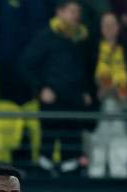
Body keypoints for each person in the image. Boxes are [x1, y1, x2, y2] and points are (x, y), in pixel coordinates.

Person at [19, 0, 94, 174]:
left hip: (75, 103)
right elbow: (25, 64)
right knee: (48, 147)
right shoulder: (46, 36)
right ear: (59, 12)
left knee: (73, 149)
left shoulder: (82, 38)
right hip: (52, 102)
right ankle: (45, 181)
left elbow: (88, 68)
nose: (76, 15)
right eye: (71, 11)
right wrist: (40, 89)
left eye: (77, 11)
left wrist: (86, 91)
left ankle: (73, 177)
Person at [88, 12, 127, 179]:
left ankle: (120, 188)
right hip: (99, 106)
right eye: (105, 25)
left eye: (112, 24)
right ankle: (93, 191)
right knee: (97, 149)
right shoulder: (92, 49)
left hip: (121, 106)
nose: (109, 28)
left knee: (120, 147)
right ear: (100, 28)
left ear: (118, 27)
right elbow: (86, 75)